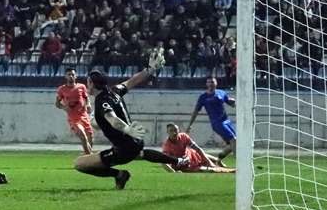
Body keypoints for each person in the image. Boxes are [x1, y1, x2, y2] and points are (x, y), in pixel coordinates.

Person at [74, 52, 185, 189]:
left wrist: (127, 129)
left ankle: (120, 175)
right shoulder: (114, 91)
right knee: (141, 154)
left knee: (80, 164)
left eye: (88, 82)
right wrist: (150, 70)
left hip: (123, 149)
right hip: (135, 142)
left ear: (92, 84)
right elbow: (132, 81)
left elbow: (113, 119)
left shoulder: (101, 102)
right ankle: (179, 161)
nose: (87, 85)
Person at [187, 76, 236, 164]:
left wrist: (233, 102)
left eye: (212, 82)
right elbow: (196, 111)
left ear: (216, 83)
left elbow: (230, 103)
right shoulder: (203, 97)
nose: (211, 84)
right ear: (206, 84)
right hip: (217, 123)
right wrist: (190, 124)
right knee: (234, 140)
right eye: (209, 82)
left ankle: (218, 160)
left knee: (233, 144)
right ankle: (241, 164)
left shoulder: (221, 93)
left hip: (226, 121)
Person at [161, 123, 235, 173]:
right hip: (187, 165)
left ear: (178, 131)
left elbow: (197, 148)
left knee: (214, 160)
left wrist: (209, 162)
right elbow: (163, 163)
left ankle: (217, 161)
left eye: (175, 130)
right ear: (167, 132)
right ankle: (232, 171)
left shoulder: (183, 136)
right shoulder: (167, 146)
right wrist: (174, 172)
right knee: (212, 170)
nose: (174, 133)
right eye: (171, 131)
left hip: (194, 155)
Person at [55, 68, 94, 155]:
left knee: (90, 137)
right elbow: (57, 103)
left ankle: (86, 154)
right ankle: (89, 156)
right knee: (82, 135)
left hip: (84, 116)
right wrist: (64, 107)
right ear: (65, 76)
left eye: (72, 75)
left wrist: (88, 104)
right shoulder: (62, 89)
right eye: (69, 75)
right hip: (73, 118)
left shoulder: (81, 87)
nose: (71, 76)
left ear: (76, 76)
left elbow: (86, 98)